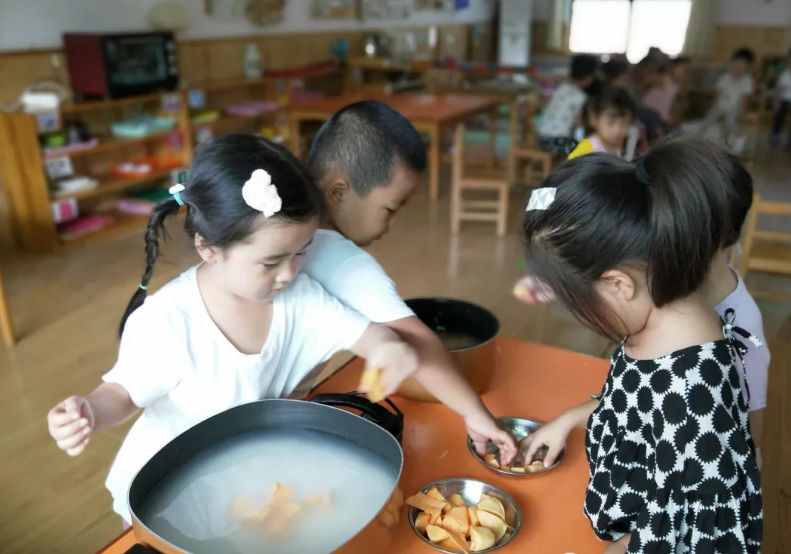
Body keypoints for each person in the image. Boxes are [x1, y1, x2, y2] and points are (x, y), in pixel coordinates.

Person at [46, 135, 422, 524]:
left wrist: (386, 348)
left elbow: (364, 334)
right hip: (169, 489)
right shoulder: (168, 321)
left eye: (301, 252)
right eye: (271, 262)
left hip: (246, 475)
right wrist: (89, 410)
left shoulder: (300, 297)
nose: (290, 272)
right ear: (209, 248)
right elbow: (122, 394)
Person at [519, 138, 762, 554]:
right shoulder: (662, 317)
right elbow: (637, 401)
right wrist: (570, 419)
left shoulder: (694, 393)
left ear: (618, 284)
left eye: (578, 303)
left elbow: (694, 534)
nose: (581, 317)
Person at [305, 100, 517, 459]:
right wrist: (474, 413)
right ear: (338, 193)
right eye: (389, 209)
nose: (387, 226)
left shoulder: (277, 232)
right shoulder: (347, 264)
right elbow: (421, 343)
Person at [537, 54, 600, 155]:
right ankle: (569, 169)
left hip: (541, 138)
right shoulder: (581, 97)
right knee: (589, 148)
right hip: (557, 142)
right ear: (589, 77)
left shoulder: (560, 88)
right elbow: (578, 123)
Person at [698, 47, 755, 143]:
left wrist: (742, 113)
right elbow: (718, 94)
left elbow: (743, 99)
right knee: (708, 120)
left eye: (742, 63)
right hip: (720, 105)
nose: (738, 66)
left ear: (747, 66)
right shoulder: (725, 77)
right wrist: (713, 107)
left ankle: (739, 137)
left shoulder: (747, 80)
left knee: (731, 122)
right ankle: (697, 137)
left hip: (733, 108)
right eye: (736, 62)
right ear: (732, 63)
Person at [569, 88, 636, 159]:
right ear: (594, 119)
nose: (617, 130)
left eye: (624, 124)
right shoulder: (587, 150)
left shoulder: (617, 147)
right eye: (611, 123)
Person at [770, 48, 791, 147]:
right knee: (779, 113)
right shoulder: (784, 73)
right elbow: (778, 90)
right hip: (783, 100)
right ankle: (776, 135)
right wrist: (776, 102)